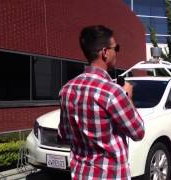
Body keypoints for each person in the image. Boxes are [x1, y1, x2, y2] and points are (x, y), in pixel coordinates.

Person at [58, 25, 145, 179]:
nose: (117, 52)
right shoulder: (113, 92)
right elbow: (138, 132)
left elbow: (64, 135)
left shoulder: (67, 90)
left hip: (80, 174)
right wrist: (128, 97)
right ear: (105, 52)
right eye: (115, 48)